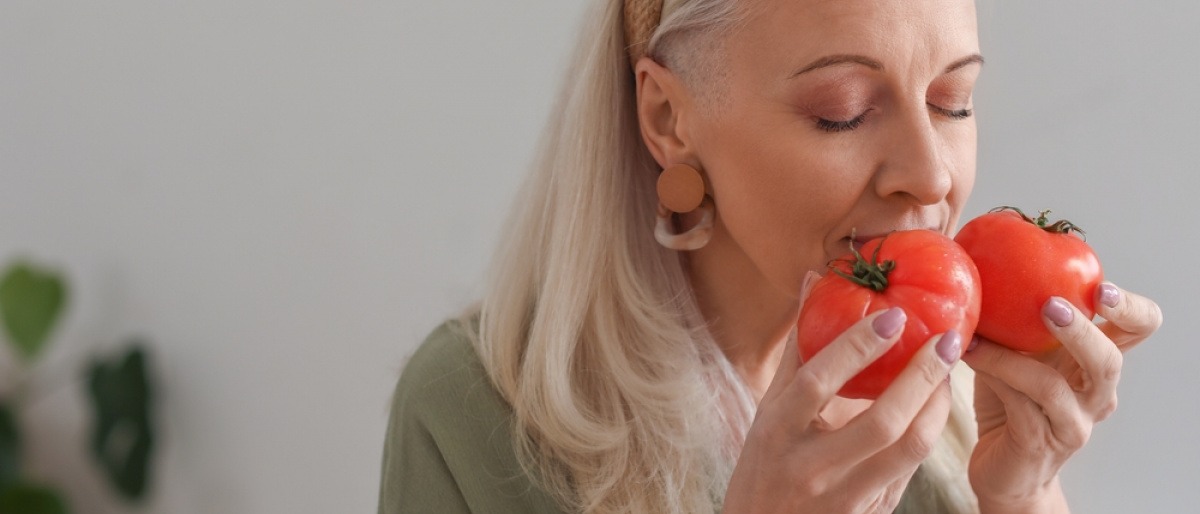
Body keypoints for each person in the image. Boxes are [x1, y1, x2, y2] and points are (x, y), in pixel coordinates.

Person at [378, 0, 1163, 512]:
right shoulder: (472, 413)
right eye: (843, 113)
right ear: (668, 117)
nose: (932, 175)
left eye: (952, 102)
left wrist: (1025, 493)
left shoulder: (955, 395)